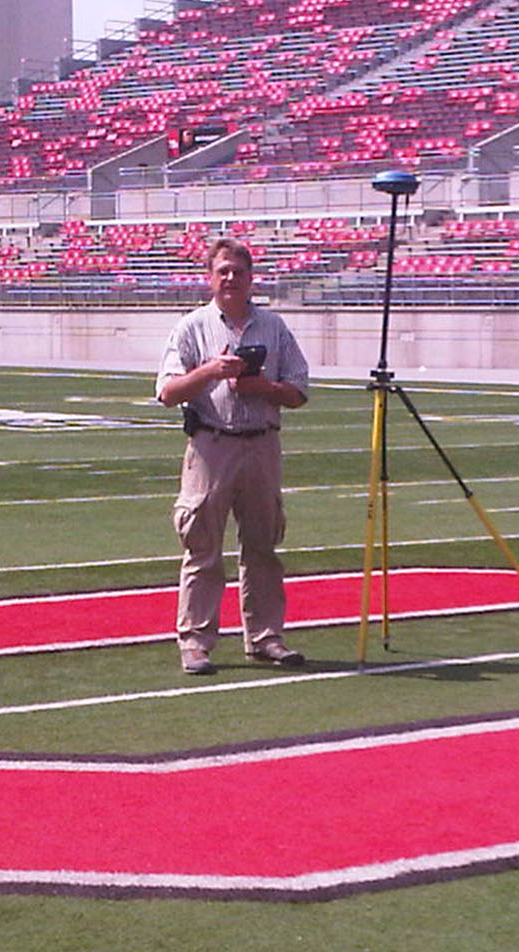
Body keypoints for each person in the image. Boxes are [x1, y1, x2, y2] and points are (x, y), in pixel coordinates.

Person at [154, 237, 310, 676]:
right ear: (210, 277)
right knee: (202, 546)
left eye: (238, 271)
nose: (230, 279)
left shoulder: (274, 327)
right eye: (223, 271)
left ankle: (265, 637)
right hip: (211, 445)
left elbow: (300, 390)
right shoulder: (191, 327)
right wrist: (209, 371)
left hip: (261, 443)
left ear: (250, 277)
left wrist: (266, 389)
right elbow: (166, 392)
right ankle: (196, 641)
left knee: (262, 547)